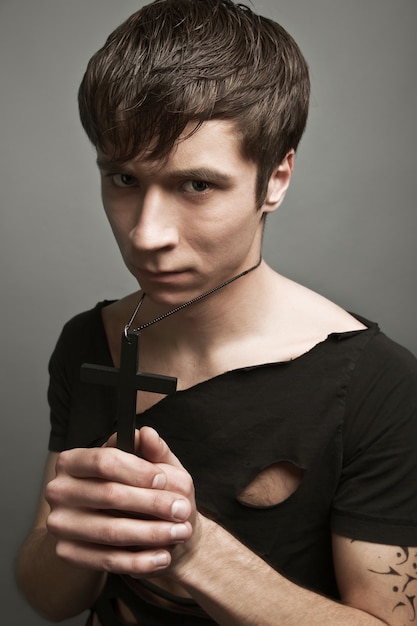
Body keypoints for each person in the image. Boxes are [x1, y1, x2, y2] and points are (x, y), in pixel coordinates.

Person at [16, 0, 417, 624]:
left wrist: (193, 547)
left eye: (196, 185)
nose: (147, 234)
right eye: (123, 180)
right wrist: (85, 533)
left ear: (275, 178)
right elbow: (49, 598)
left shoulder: (378, 384)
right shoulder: (89, 342)